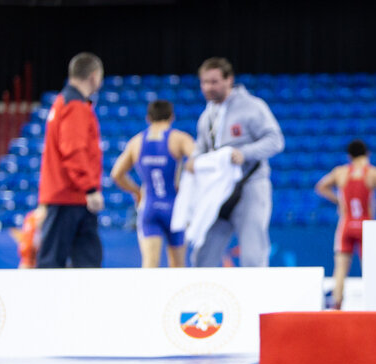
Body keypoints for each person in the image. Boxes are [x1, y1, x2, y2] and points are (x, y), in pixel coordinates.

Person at [186, 57, 284, 267]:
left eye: (214, 82)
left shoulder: (252, 107)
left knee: (252, 254)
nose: (208, 87)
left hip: (250, 187)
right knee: (202, 255)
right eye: (204, 82)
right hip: (218, 191)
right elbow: (202, 147)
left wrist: (245, 153)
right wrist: (193, 159)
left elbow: (275, 141)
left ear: (229, 80)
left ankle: (258, 300)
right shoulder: (207, 115)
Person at [315, 139, 376, 309]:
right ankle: (374, 304)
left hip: (346, 225)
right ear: (367, 154)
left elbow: (321, 187)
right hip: (366, 227)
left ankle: (337, 305)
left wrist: (339, 201)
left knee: (340, 269)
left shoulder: (340, 172)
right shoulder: (373, 173)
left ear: (349, 156)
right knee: (370, 268)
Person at [37, 52, 104, 268]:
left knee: (84, 261)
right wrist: (90, 189)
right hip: (70, 197)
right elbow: (74, 151)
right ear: (94, 76)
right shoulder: (75, 106)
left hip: (66, 196)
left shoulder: (63, 102)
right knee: (57, 264)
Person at [110, 100, 195, 268]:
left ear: (148, 118)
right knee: (178, 266)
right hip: (174, 207)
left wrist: (136, 191)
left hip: (149, 207)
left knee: (150, 265)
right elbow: (199, 161)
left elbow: (116, 174)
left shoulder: (136, 142)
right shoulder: (179, 139)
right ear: (172, 117)